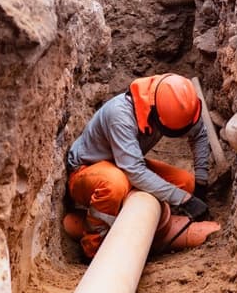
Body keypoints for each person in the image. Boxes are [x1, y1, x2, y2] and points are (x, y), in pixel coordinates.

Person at [63, 73, 213, 259]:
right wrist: (184, 201)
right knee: (114, 184)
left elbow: (199, 134)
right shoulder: (120, 115)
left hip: (125, 164)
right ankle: (93, 247)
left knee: (185, 183)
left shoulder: (175, 100)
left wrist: (201, 182)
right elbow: (135, 171)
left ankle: (151, 224)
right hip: (88, 170)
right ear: (157, 117)